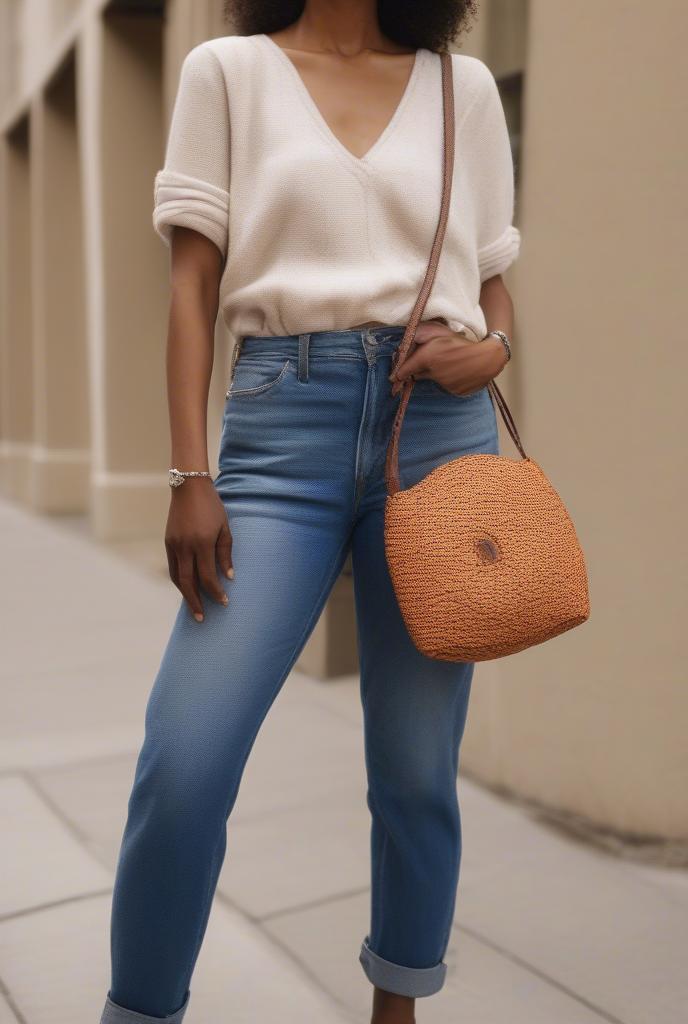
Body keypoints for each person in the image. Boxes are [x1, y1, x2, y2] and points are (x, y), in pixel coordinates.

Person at [98, 2, 519, 1022]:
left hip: (437, 433)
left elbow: (495, 278)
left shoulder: (463, 87)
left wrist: (494, 350)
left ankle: (398, 1005)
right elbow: (191, 288)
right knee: (184, 762)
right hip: (280, 430)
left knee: (416, 772)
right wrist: (189, 475)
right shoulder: (226, 71)